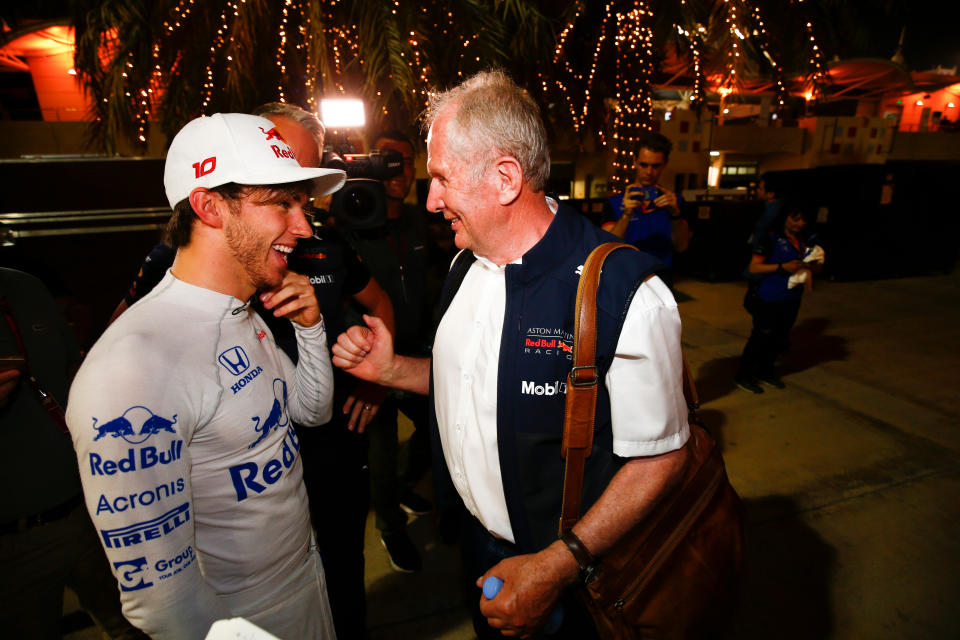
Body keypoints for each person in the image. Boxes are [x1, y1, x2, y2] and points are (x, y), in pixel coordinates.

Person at [332, 70, 690, 638]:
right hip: (476, 551)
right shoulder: (463, 264)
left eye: (443, 179)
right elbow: (474, 379)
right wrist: (391, 369)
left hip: (570, 577)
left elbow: (661, 459)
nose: (430, 199)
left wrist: (555, 566)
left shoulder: (624, 292)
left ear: (504, 178)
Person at [107, 102, 395, 639]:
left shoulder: (242, 314)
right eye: (283, 202)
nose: (305, 226)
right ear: (210, 206)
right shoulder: (131, 366)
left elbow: (311, 412)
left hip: (303, 591)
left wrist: (311, 328)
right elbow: (162, 606)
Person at [0, 268, 146, 640]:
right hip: (16, 539)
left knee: (138, 628)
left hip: (92, 512)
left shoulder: (26, 286)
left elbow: (72, 369)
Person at [344, 129, 437, 574]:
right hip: (370, 361)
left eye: (406, 160)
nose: (399, 170)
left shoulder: (422, 221)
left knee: (441, 424)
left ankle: (410, 486)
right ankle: (390, 526)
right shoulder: (353, 224)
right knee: (378, 451)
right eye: (389, 160)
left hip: (416, 350)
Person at [735, 204, 821, 394]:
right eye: (795, 218)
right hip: (768, 297)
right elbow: (754, 268)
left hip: (791, 297)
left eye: (803, 220)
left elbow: (816, 267)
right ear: (785, 217)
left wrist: (814, 265)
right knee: (760, 337)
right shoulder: (770, 238)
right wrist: (782, 267)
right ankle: (744, 375)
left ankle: (766, 372)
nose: (799, 224)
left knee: (779, 338)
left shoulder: (804, 240)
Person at [601, 131, 690, 287]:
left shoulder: (675, 202)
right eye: (644, 165)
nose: (649, 172)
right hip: (624, 277)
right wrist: (626, 215)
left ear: (665, 164)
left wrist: (675, 214)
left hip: (661, 278)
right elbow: (608, 247)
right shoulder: (615, 203)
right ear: (635, 162)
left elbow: (681, 246)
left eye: (656, 166)